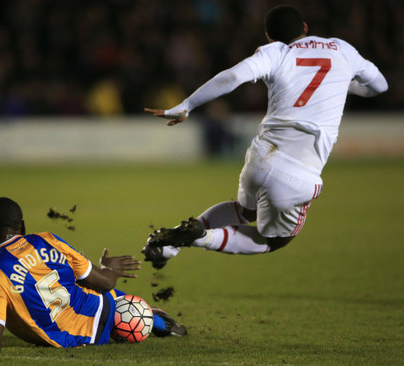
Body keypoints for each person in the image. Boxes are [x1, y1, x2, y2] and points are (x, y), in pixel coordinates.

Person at [142, 5, 388, 269]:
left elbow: (234, 76)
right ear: (304, 27)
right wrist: (341, 85)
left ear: (271, 37)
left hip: (260, 157)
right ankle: (201, 237)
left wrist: (187, 105)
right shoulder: (342, 49)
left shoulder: (276, 52)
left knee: (244, 211)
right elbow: (380, 86)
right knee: (273, 240)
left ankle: (172, 244)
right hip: (298, 171)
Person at [0, 197, 186, 352]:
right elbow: (104, 283)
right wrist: (109, 268)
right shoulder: (49, 239)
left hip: (83, 337)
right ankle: (154, 318)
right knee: (113, 303)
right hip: (103, 307)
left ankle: (149, 318)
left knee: (118, 318)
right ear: (22, 227)